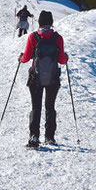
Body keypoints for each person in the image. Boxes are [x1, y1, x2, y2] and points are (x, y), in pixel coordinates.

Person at [18, 10, 68, 148]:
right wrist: (66, 57)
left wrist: (20, 58)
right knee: (50, 107)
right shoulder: (58, 38)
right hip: (52, 78)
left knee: (36, 107)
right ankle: (50, 137)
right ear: (51, 23)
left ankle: (34, 137)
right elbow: (62, 60)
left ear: (39, 22)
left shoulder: (33, 37)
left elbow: (26, 58)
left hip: (36, 78)